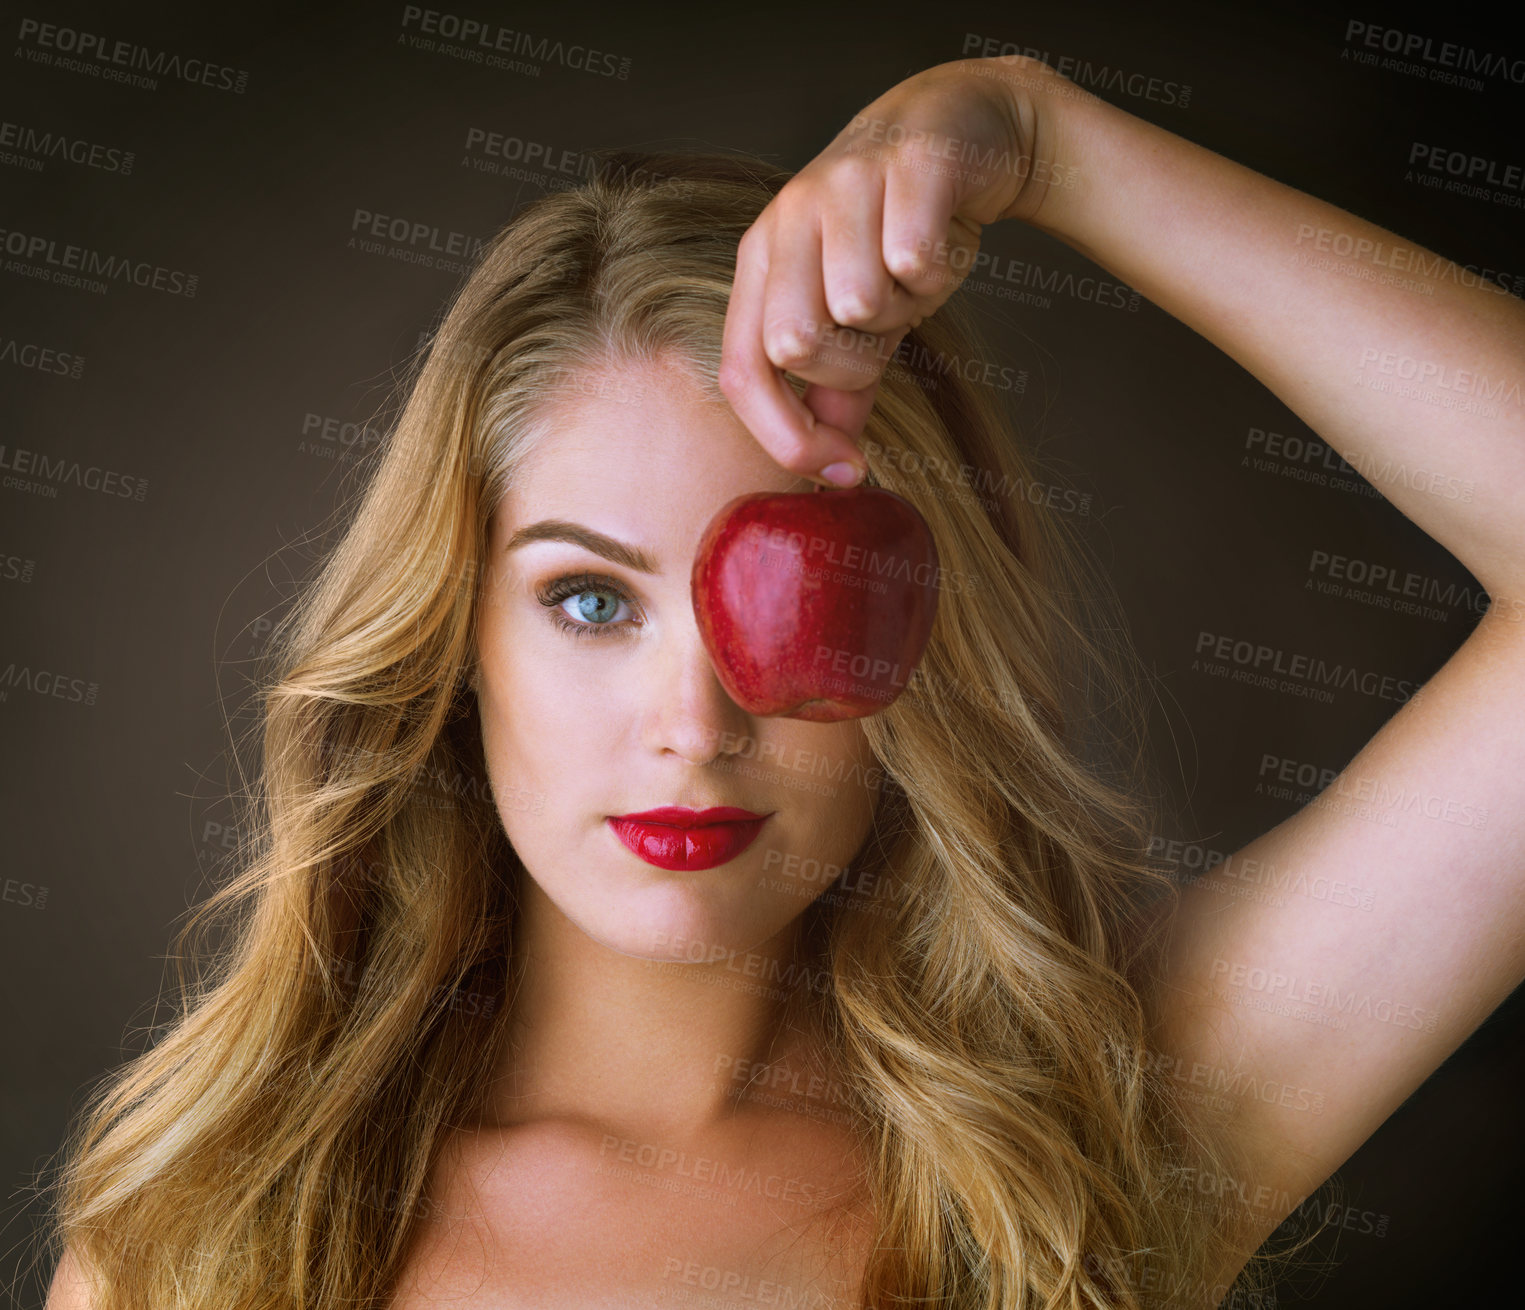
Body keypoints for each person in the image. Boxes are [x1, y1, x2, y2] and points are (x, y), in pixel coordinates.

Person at [41, 53, 1524, 1310]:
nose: (694, 723)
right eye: (585, 598)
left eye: (800, 602)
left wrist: (1042, 136)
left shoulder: (1103, 1130)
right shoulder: (204, 1227)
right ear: (456, 646)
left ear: (915, 660)